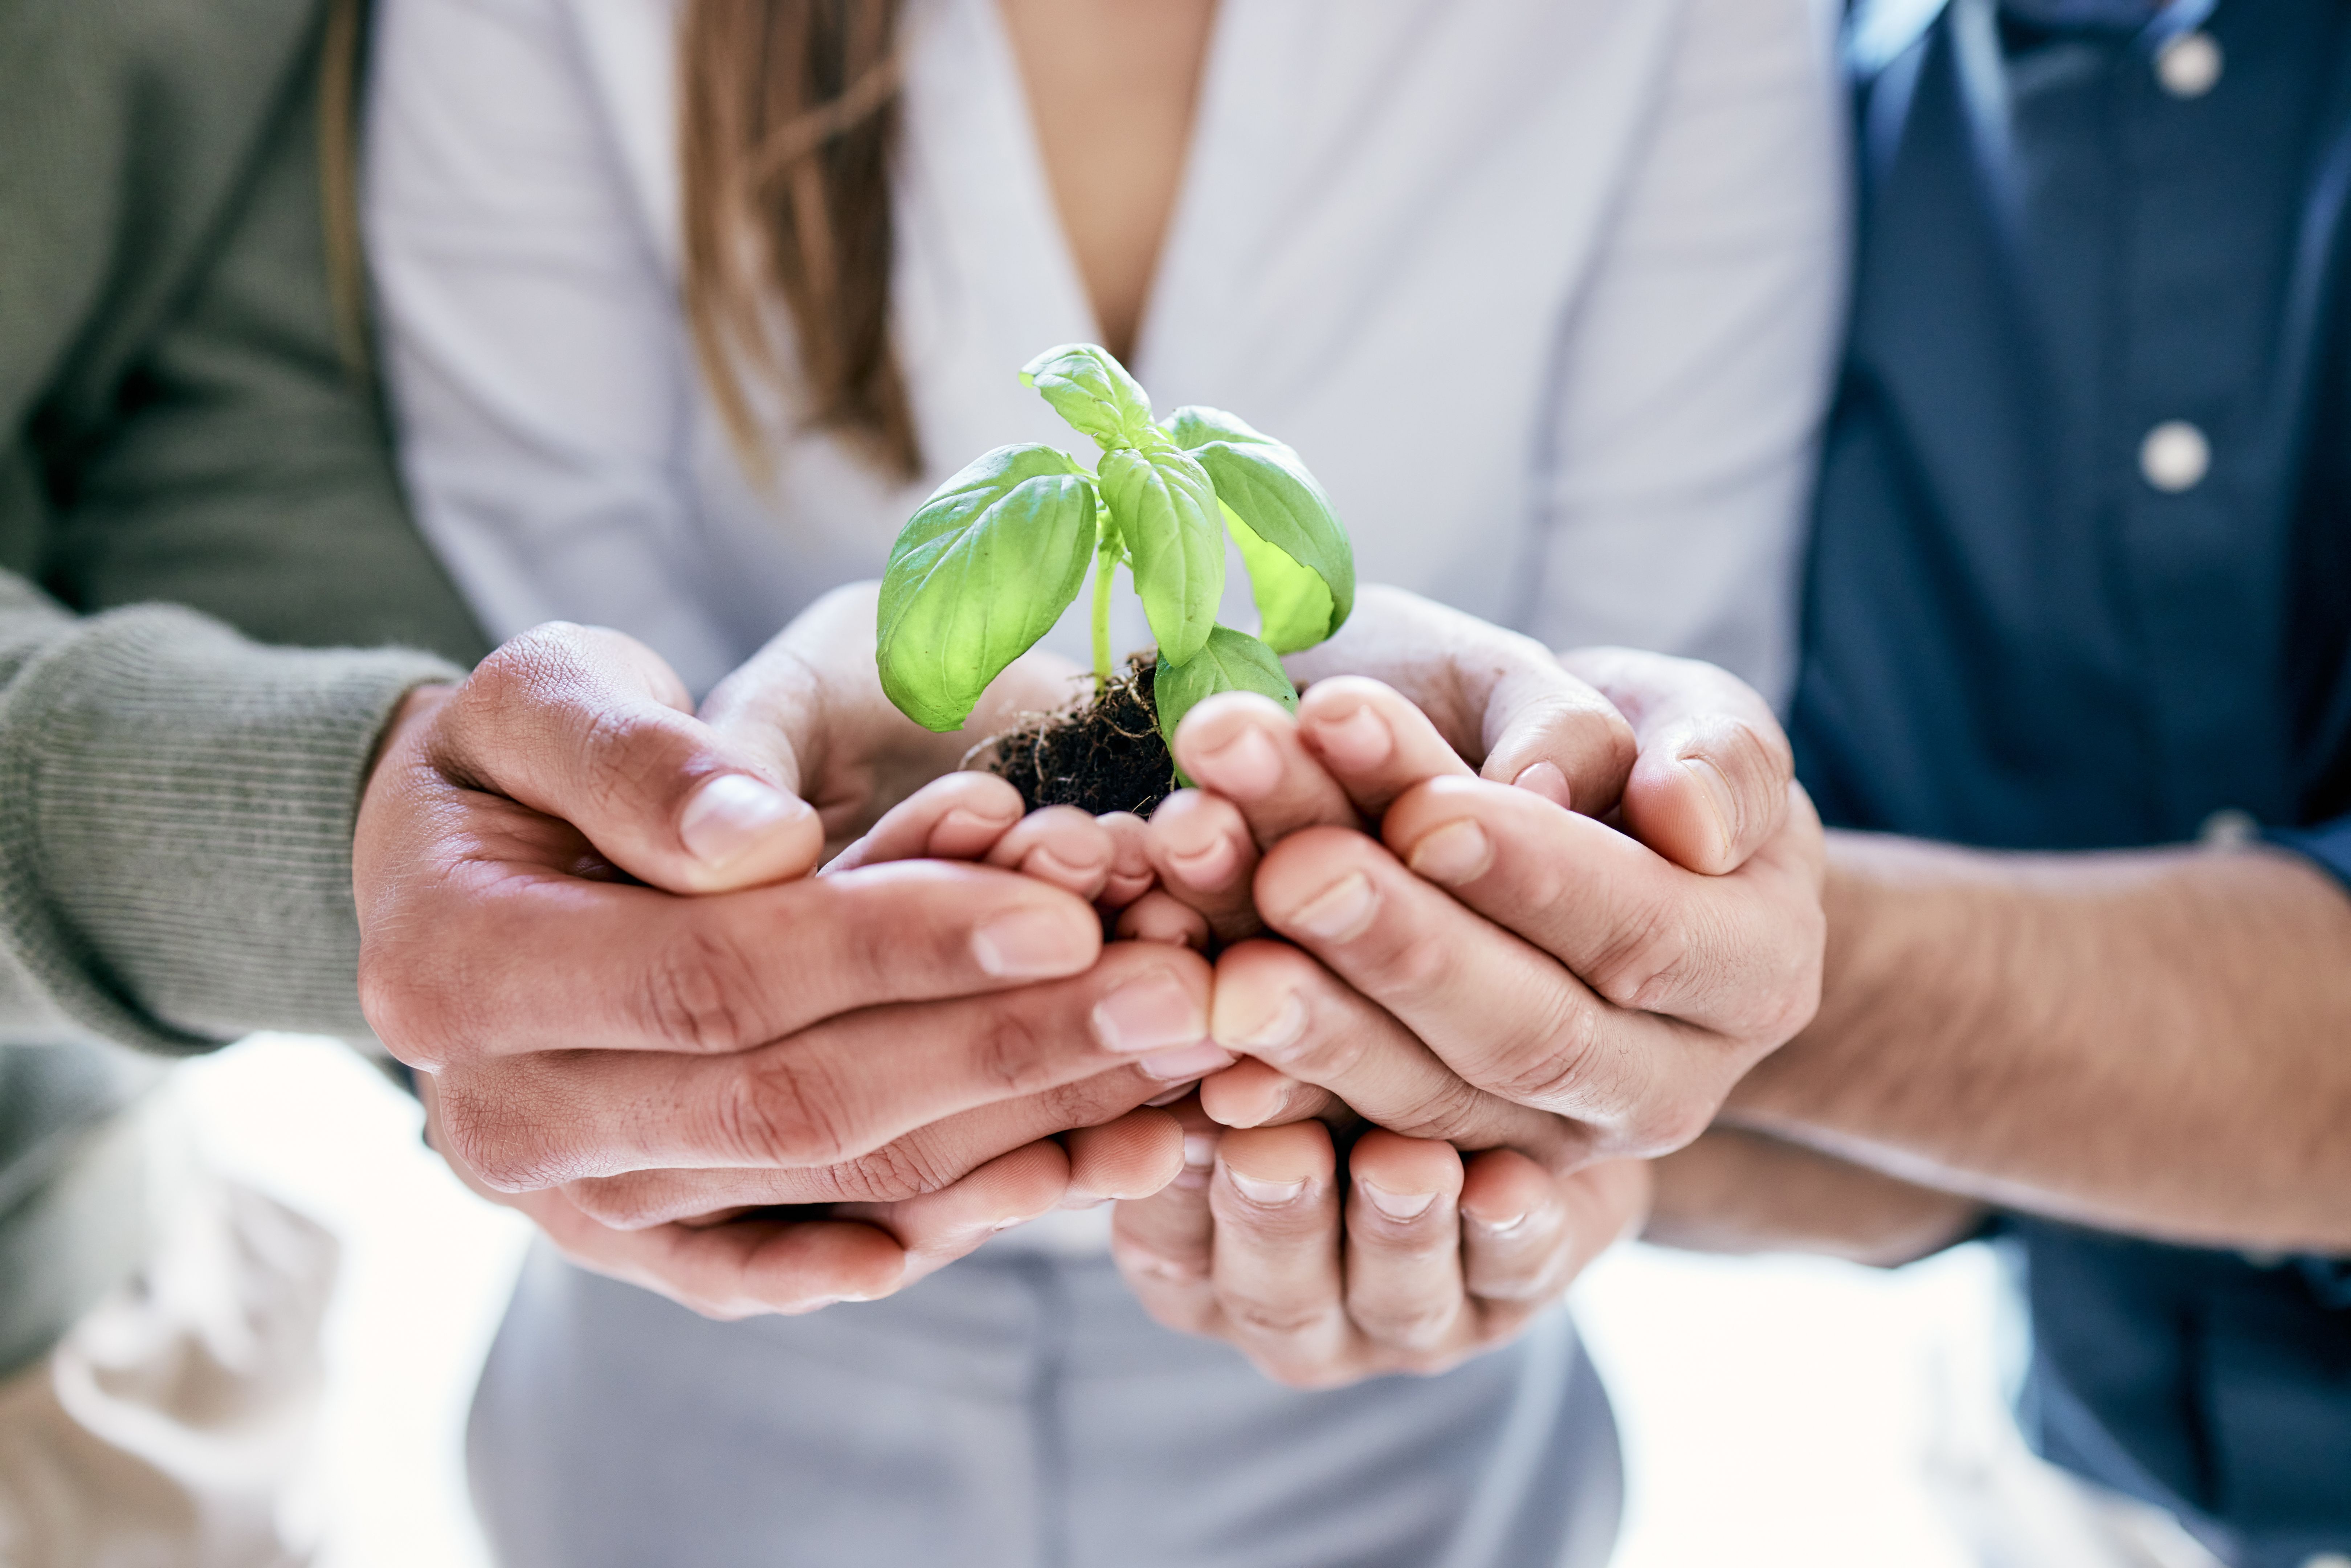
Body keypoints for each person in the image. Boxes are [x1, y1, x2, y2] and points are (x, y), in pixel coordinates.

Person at [362, 0, 1843, 1561]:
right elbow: (530, 647)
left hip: (1392, 1373)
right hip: (716, 1338)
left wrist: (1577, 1005)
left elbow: (1639, 672)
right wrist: (682, 877)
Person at [1134, 1, 2351, 1564]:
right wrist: (1510, 1125)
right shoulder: (1849, 89)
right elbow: (1920, 1172)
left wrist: (1584, 958)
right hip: (2074, 1496)